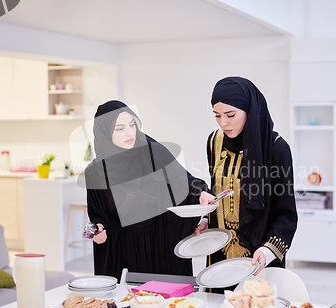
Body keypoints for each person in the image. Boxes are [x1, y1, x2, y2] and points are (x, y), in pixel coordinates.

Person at [83, 100, 215, 281]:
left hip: (161, 246)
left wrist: (201, 193)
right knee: (127, 305)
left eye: (132, 125)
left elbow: (185, 182)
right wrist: (95, 231)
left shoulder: (153, 153)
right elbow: (96, 216)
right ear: (104, 132)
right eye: (119, 128)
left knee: (170, 305)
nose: (130, 133)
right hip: (124, 254)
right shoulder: (95, 172)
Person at [195, 76, 298, 281]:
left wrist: (268, 251)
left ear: (249, 111)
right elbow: (218, 190)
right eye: (217, 115)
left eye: (230, 115)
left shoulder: (276, 148)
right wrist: (207, 218)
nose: (223, 123)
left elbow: (285, 213)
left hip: (259, 255)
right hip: (219, 251)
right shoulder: (214, 142)